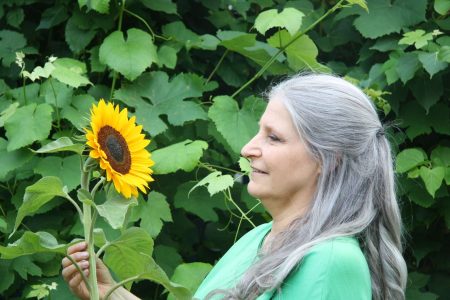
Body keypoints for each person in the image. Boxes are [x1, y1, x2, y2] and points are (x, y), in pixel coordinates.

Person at [62, 73, 407, 300]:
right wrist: (111, 293)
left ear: (327, 159)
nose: (247, 148)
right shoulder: (259, 240)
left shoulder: (330, 261)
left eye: (273, 137)